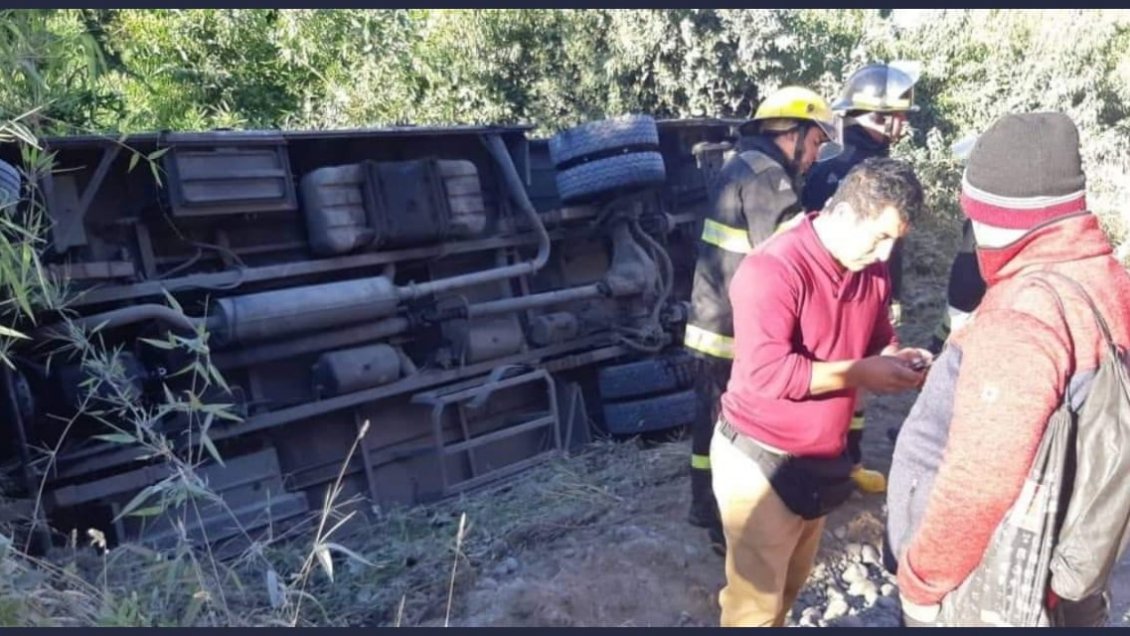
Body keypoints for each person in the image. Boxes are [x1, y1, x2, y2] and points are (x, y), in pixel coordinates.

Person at [886, 111, 1130, 627]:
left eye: (973, 215)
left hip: (988, 582)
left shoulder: (1024, 312)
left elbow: (979, 483)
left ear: (997, 214)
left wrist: (922, 584)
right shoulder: (1104, 278)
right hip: (1055, 568)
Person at [711, 156, 930, 627]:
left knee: (788, 589)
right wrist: (860, 374)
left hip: (816, 461)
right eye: (880, 237)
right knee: (754, 608)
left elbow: (876, 341)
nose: (886, 254)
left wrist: (897, 357)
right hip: (759, 461)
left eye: (896, 240)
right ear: (845, 214)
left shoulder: (870, 270)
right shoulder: (773, 269)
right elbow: (770, 373)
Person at [683, 86, 842, 554]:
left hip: (713, 321)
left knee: (707, 425)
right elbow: (797, 256)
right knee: (730, 430)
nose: (815, 157)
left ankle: (705, 511)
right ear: (791, 134)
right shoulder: (769, 178)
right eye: (814, 143)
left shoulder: (741, 163)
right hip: (736, 331)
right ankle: (724, 526)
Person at [800, 62, 922, 494]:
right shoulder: (845, 170)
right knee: (846, 375)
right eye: (897, 116)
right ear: (874, 115)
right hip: (844, 293)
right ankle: (834, 463)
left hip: (873, 290)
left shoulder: (872, 163)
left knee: (860, 381)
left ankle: (846, 461)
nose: (903, 125)